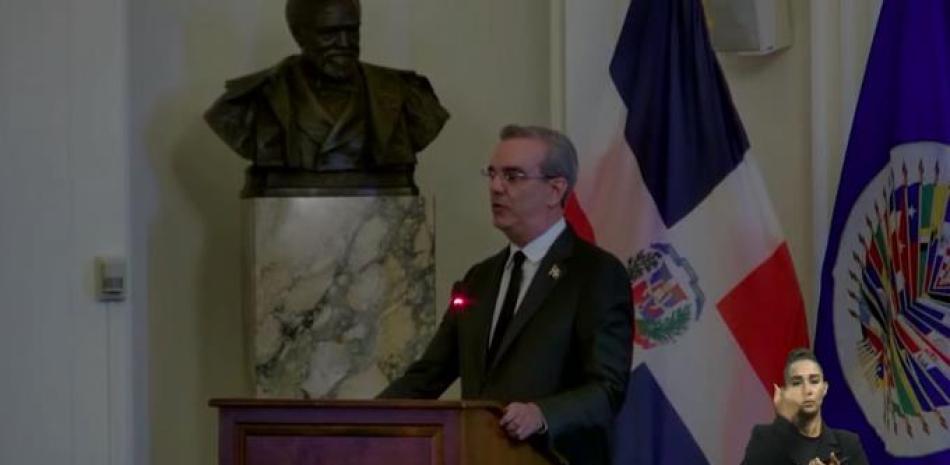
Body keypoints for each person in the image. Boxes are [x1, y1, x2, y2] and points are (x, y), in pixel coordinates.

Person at [379, 125, 633, 465]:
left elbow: (606, 390)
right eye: (493, 174)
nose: (496, 188)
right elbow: (427, 376)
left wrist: (541, 414)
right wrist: (355, 420)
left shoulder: (596, 274)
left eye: (513, 176)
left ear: (555, 190)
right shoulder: (479, 279)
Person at [205, 0, 449, 195]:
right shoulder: (248, 103)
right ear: (299, 36)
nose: (344, 43)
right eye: (329, 33)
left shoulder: (408, 95)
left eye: (352, 31)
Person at [741, 348, 870, 465]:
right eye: (797, 383)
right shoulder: (764, 440)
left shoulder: (847, 444)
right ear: (785, 392)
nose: (807, 390)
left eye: (814, 381)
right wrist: (782, 421)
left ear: (824, 388)